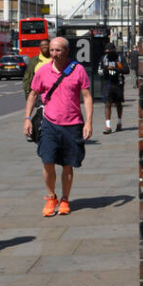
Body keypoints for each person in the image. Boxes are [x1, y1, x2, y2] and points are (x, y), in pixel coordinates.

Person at [23, 37, 92, 217]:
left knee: (68, 165)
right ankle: (51, 196)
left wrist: (89, 122)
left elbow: (87, 97)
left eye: (58, 50)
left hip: (73, 124)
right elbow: (33, 94)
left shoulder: (78, 70)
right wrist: (27, 118)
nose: (53, 54)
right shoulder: (43, 71)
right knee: (47, 161)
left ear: (66, 51)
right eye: (52, 50)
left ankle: (65, 199)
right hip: (49, 124)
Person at [99, 46, 128, 133]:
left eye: (110, 52)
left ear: (114, 51)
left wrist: (115, 69)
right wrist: (105, 70)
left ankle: (119, 122)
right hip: (107, 83)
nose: (109, 54)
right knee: (107, 103)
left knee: (118, 103)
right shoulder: (103, 58)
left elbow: (126, 70)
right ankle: (108, 126)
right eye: (107, 52)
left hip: (118, 83)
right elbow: (99, 71)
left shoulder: (120, 58)